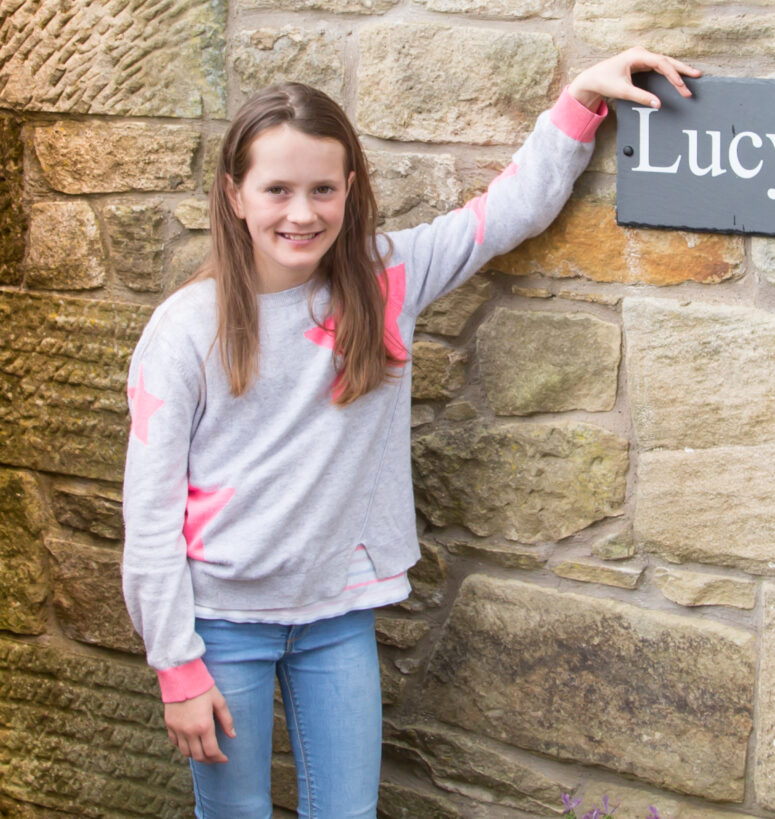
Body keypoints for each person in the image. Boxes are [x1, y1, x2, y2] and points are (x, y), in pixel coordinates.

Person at [121, 46, 700, 819]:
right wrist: (176, 665)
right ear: (234, 194)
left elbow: (505, 214)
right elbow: (149, 517)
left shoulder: (385, 280)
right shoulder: (186, 330)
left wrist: (581, 101)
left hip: (337, 619)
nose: (302, 213)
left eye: (323, 189)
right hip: (221, 625)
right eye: (277, 190)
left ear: (350, 189)